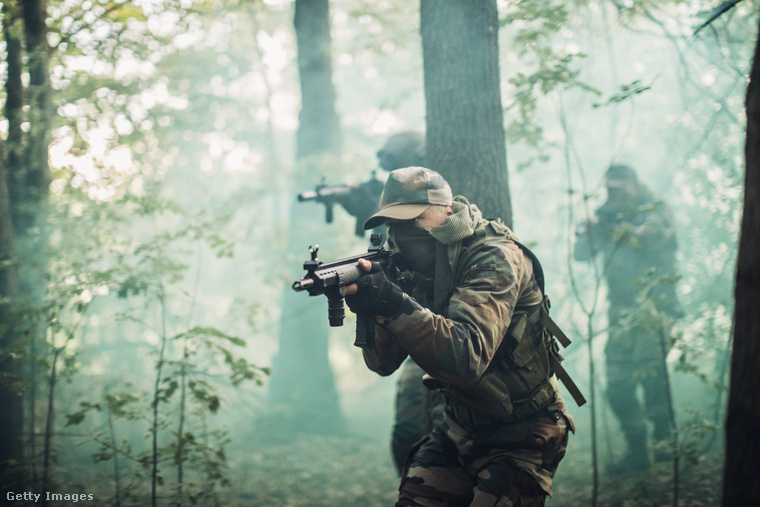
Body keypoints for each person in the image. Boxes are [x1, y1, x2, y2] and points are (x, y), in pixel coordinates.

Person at [344, 166, 576, 506]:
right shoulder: (411, 267)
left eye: (414, 220)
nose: (401, 233)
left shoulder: (492, 255)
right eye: (393, 223)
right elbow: (382, 363)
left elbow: (466, 358)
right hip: (458, 429)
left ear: (447, 211)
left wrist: (394, 304)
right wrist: (371, 304)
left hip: (523, 432)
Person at [573, 164, 681, 473]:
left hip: (654, 309)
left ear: (635, 184)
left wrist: (615, 226)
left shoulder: (655, 208)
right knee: (617, 384)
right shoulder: (605, 214)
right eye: (610, 188)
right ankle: (638, 451)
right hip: (619, 314)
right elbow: (581, 254)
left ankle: (665, 447)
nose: (614, 194)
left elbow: (649, 238)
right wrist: (592, 229)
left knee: (652, 375)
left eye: (620, 188)